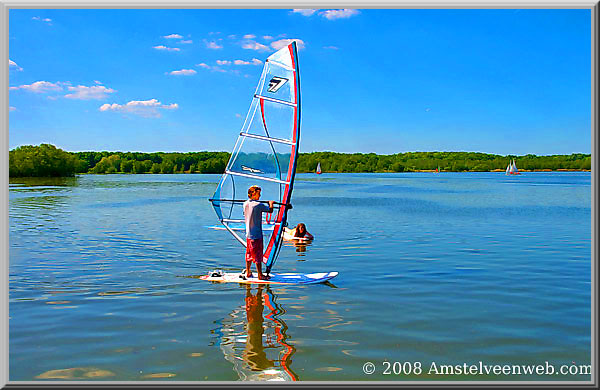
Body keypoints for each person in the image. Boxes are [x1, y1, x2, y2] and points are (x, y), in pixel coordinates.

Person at [243, 185, 274, 280]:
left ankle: (248, 272)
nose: (260, 196)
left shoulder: (245, 203)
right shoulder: (258, 205)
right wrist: (271, 203)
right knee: (258, 255)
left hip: (248, 234)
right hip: (256, 235)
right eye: (258, 194)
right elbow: (270, 210)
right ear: (252, 193)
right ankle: (260, 275)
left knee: (248, 253)